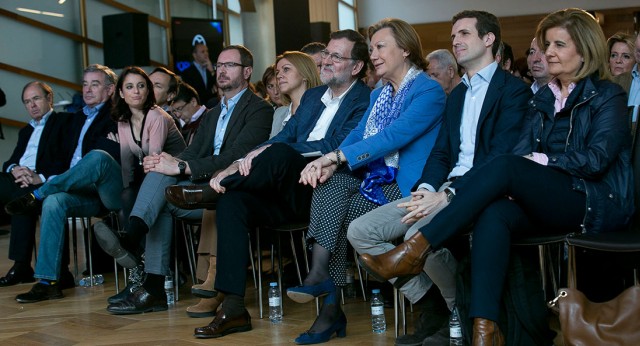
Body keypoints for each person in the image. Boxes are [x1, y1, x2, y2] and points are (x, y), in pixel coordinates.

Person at [359, 8, 633, 345]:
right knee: (494, 214)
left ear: (585, 49)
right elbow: (516, 151)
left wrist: (540, 160)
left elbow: (596, 160)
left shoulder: (608, 96)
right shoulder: (544, 97)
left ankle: (415, 249)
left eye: (559, 45)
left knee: (505, 165)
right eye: (547, 44)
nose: (548, 52)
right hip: (546, 196)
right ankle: (485, 331)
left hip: (591, 199)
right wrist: (528, 164)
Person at [166, 29, 372, 340]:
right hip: (285, 187)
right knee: (232, 202)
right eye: (326, 54)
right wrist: (247, 157)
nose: (326, 61)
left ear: (356, 67)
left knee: (278, 154)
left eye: (336, 57)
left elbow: (334, 144)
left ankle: (213, 188)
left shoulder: (363, 98)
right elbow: (282, 137)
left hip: (324, 186)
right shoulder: (315, 97)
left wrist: (274, 153)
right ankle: (233, 307)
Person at [349, 10, 532, 346]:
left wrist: (448, 195)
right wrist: (426, 188)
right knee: (361, 230)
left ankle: (459, 316)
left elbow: (500, 158)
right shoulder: (458, 93)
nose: (455, 41)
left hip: (485, 189)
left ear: (489, 39)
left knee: (421, 230)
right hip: (444, 186)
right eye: (453, 37)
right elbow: (441, 154)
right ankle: (435, 303)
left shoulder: (514, 91)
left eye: (464, 34)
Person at [292, 18, 446, 345]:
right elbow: (359, 133)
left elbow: (393, 137)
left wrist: (334, 158)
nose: (373, 53)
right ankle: (322, 281)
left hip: (408, 185)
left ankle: (335, 304)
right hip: (374, 177)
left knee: (345, 219)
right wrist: (332, 162)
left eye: (380, 47)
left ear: (405, 49)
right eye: (371, 47)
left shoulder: (428, 90)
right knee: (329, 186)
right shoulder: (380, 93)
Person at [92, 45, 274, 315]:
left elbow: (236, 156)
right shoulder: (213, 113)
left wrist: (180, 165)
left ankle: (135, 248)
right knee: (160, 182)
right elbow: (191, 152)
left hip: (232, 191)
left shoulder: (260, 110)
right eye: (220, 65)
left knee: (164, 177)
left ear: (247, 72)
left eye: (230, 65)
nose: (221, 70)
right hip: (201, 190)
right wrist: (166, 162)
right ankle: (150, 280)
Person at [7, 66, 186, 303]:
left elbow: (129, 161)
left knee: (98, 156)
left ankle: (38, 194)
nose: (87, 89)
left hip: (115, 187)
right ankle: (48, 281)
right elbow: (61, 157)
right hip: (83, 188)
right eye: (85, 84)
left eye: (95, 84)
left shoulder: (118, 115)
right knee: (54, 202)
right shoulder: (75, 119)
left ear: (112, 90)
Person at [0, 82, 70, 287]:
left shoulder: (62, 122)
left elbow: (65, 160)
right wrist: (14, 168)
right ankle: (22, 266)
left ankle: (22, 266)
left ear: (49, 98)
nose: (32, 105)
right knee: (19, 194)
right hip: (20, 180)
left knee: (22, 198)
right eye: (27, 102)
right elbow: (9, 161)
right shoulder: (25, 131)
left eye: (36, 99)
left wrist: (38, 175)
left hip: (43, 181)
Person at [270, 51, 322, 138]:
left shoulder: (323, 109)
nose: (279, 76)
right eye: (277, 72)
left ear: (305, 73)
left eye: (286, 69)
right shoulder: (279, 113)